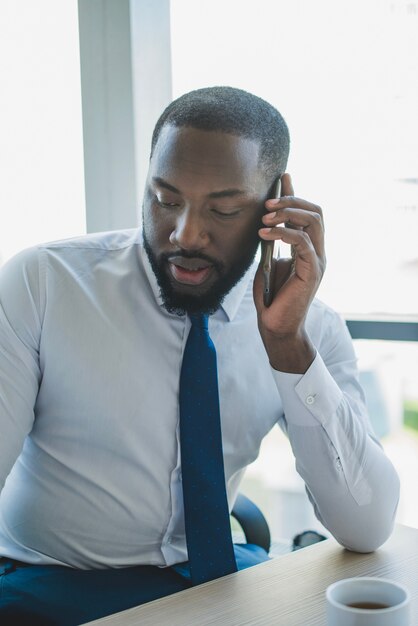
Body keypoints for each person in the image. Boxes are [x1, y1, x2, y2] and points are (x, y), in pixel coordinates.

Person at [0, 86, 400, 624]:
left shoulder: (310, 326)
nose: (185, 233)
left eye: (225, 209)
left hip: (212, 582)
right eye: (165, 200)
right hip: (51, 580)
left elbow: (367, 527)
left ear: (274, 211)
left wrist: (288, 347)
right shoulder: (43, 285)